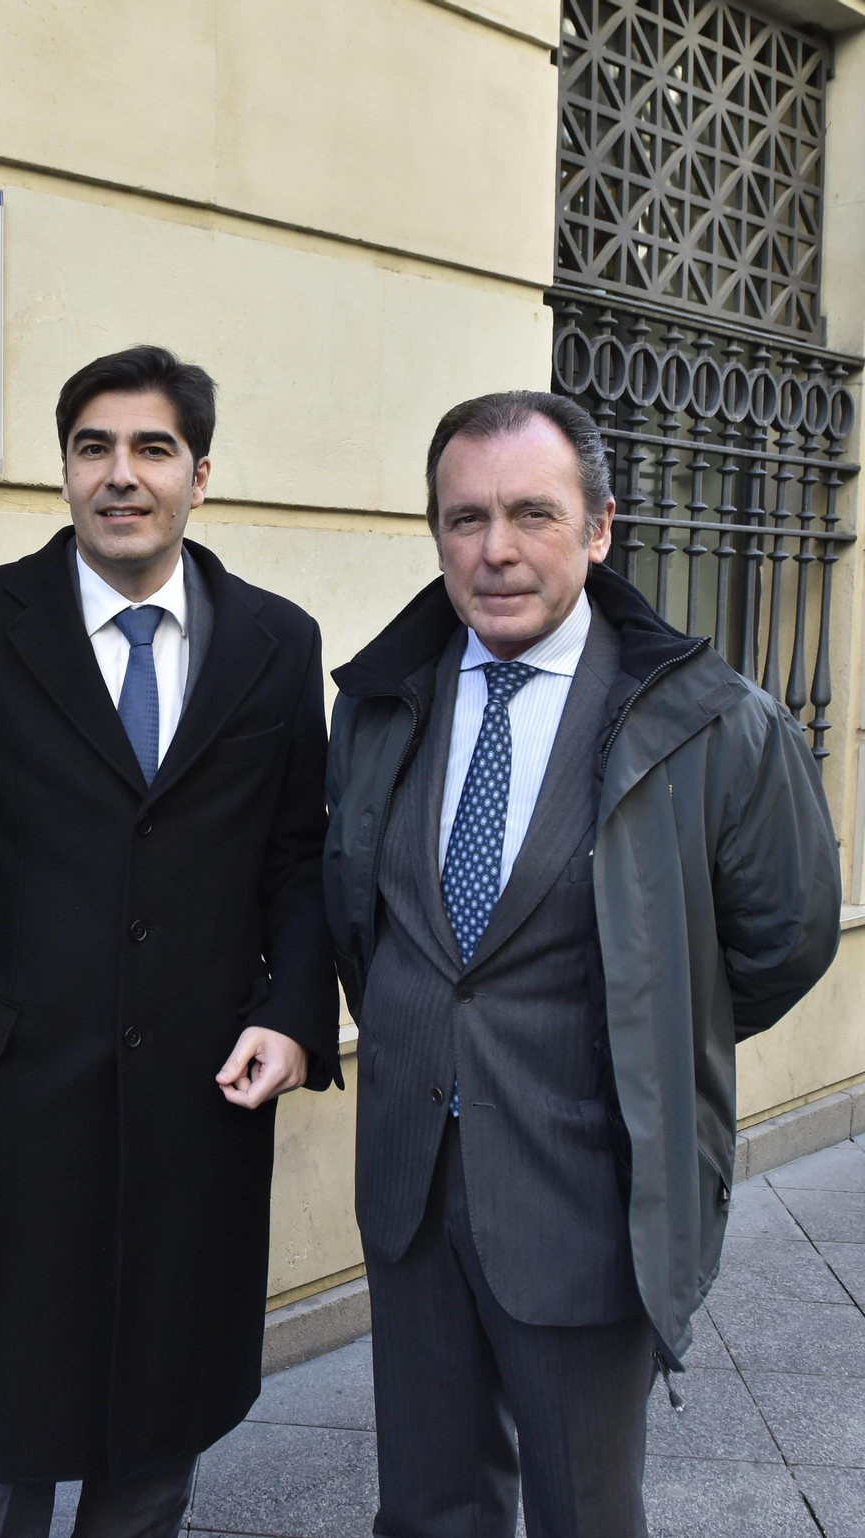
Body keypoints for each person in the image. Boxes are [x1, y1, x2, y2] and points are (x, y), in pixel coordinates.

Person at [323, 390, 841, 1537]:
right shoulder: (379, 703)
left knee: (584, 1511)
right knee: (424, 1508)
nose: (495, 550)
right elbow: (359, 913)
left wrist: (645, 1026)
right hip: (409, 1180)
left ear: (600, 527)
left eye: (531, 514)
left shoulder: (709, 720)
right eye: (464, 518)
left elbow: (785, 938)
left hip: (586, 1188)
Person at [0, 344, 340, 1537]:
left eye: (151, 448)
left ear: (199, 474)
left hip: (198, 1105)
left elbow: (300, 859)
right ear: (64, 469)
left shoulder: (277, 641)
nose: (120, 473)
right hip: (1, 1109)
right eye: (93, 447)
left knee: (156, 1436)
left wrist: (291, 1012)